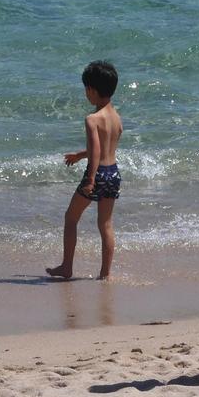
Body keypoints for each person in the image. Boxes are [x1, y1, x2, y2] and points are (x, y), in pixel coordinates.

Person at [46, 61, 124, 280]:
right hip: (113, 173)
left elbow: (97, 150)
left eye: (86, 89)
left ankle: (67, 267)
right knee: (105, 224)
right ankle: (105, 274)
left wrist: (90, 178)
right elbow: (105, 147)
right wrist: (80, 155)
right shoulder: (116, 118)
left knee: (71, 218)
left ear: (91, 89)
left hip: (97, 174)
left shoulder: (92, 119)